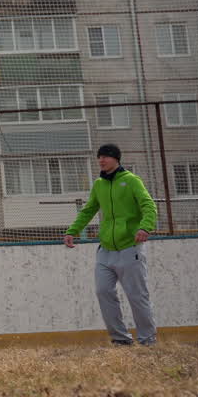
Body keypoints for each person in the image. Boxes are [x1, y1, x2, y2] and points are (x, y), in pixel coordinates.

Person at [63, 143, 159, 346]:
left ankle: (147, 341)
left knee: (137, 296)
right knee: (103, 291)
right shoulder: (99, 184)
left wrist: (145, 227)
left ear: (116, 158)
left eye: (105, 156)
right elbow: (89, 210)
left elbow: (148, 204)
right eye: (99, 157)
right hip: (105, 250)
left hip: (129, 247)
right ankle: (121, 339)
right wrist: (73, 230)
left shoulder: (132, 181)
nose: (101, 160)